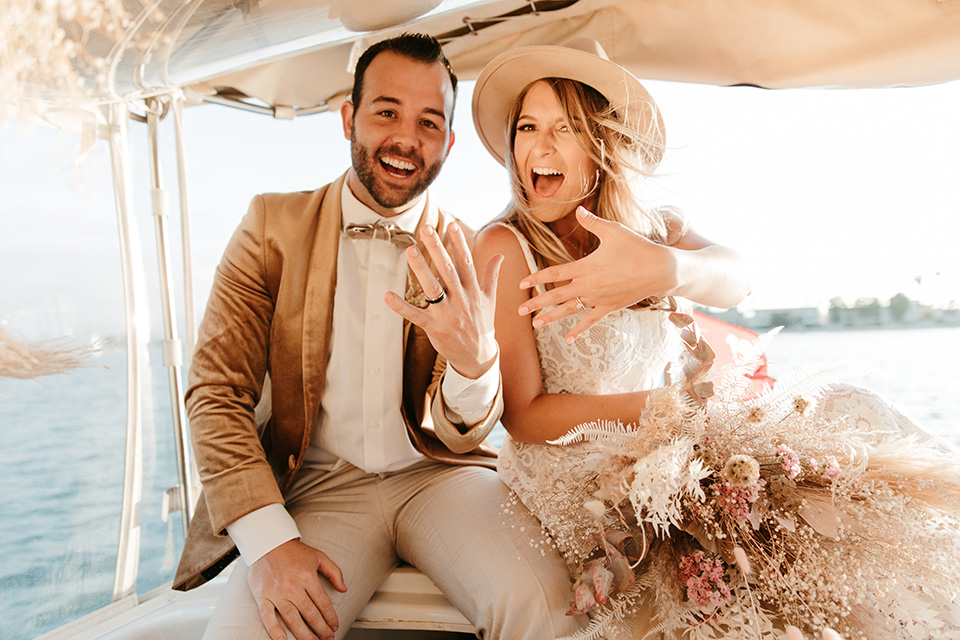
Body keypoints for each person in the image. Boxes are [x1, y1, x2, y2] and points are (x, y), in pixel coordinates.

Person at [471, 38, 960, 640]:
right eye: (527, 127)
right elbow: (523, 415)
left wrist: (667, 270)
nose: (539, 148)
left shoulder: (657, 229)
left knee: (851, 408)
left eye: (565, 127)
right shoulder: (504, 245)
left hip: (673, 445)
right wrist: (663, 412)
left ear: (604, 142)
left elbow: (738, 277)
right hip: (581, 482)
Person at [172, 33, 584, 640]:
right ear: (348, 118)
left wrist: (475, 366)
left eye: (428, 123)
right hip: (316, 485)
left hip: (441, 476)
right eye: (386, 112)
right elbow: (215, 394)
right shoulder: (269, 227)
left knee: (547, 609)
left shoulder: (472, 251)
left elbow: (465, 431)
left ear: (448, 142)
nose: (405, 139)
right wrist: (269, 545)